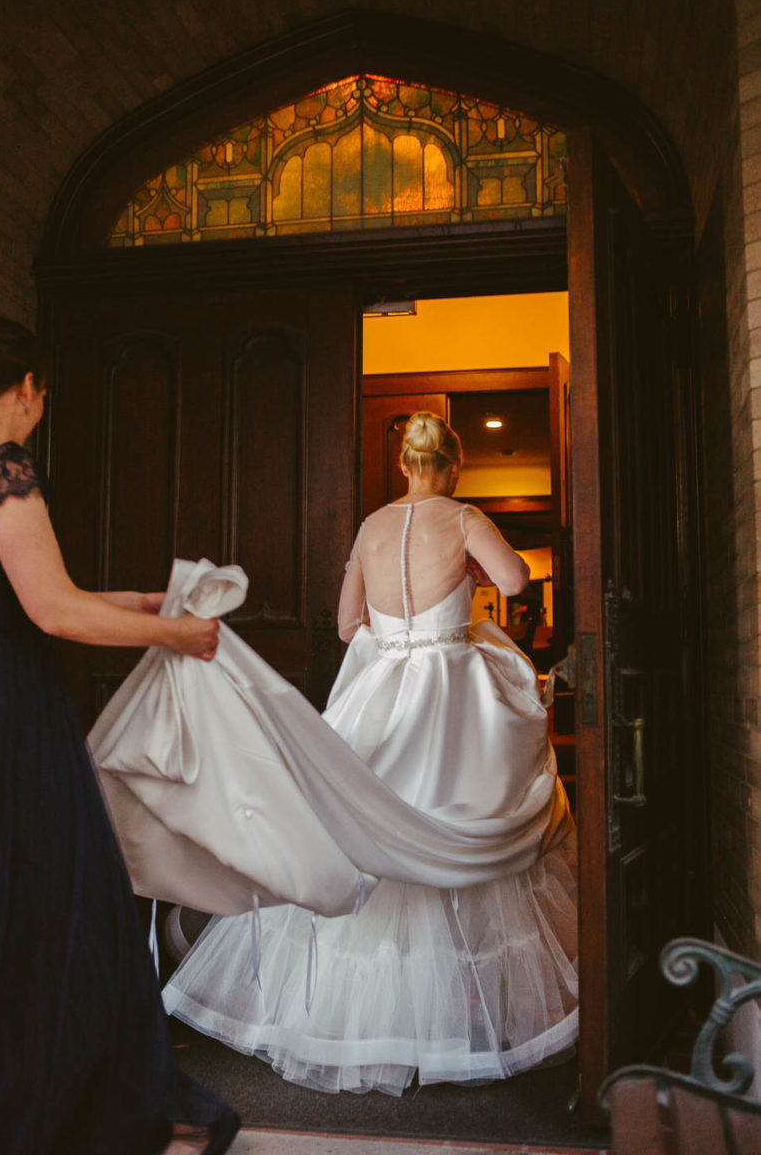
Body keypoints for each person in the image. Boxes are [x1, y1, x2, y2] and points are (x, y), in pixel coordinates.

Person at [162, 411, 578, 1096]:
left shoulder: (370, 527)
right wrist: (471, 575)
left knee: (361, 839)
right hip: (450, 693)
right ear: (453, 464)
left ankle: (349, 1024)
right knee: (452, 830)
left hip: (381, 691)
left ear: (404, 466)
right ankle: (457, 1019)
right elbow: (515, 584)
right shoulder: (465, 514)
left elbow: (346, 624)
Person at [0, 318, 239, 1154]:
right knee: (57, 893)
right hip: (4, 711)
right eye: (40, 398)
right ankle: (48, 1091)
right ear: (26, 389)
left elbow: (17, 593)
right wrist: (177, 637)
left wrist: (143, 605)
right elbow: (51, 613)